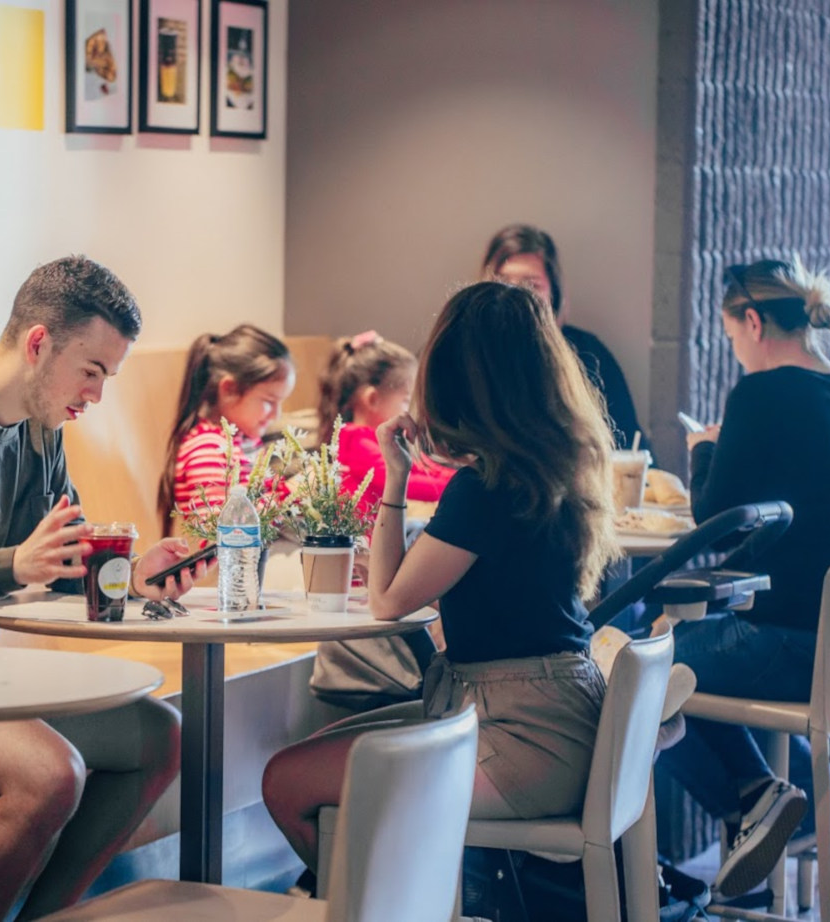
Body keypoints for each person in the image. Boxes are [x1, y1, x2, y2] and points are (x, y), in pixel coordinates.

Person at [262, 280, 620, 889]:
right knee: (309, 764)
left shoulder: (483, 490)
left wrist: (395, 479)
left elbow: (388, 600)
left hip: (522, 739)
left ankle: (380, 904)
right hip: (556, 720)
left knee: (287, 782)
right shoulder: (551, 472)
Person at [0, 255, 207, 922]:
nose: (96, 395)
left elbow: (60, 559)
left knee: (162, 736)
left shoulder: (43, 429)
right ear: (38, 344)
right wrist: (13, 565)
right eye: (91, 371)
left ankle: (44, 915)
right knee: (51, 773)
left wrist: (138, 576)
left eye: (107, 377)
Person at [655, 258, 830, 898]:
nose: (738, 355)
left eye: (733, 340)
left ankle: (760, 801)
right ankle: (824, 793)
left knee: (635, 663)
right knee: (680, 648)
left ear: (753, 322)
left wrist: (704, 447)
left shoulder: (761, 394)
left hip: (788, 637)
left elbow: (716, 521)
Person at [481, 223, 648, 451]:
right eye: (504, 283)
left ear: (554, 292)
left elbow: (630, 446)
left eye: (531, 285)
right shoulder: (464, 353)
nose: (516, 296)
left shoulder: (589, 355)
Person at [158, 324, 295, 525]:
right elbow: (224, 530)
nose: (276, 414)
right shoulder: (208, 449)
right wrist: (289, 493)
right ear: (229, 389)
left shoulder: (247, 440)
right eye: (268, 401)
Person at [315, 330, 456, 515]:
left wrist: (462, 478)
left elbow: (422, 469)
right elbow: (405, 481)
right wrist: (458, 487)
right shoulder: (353, 441)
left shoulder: (380, 440)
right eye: (406, 401)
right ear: (372, 399)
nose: (412, 411)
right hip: (361, 538)